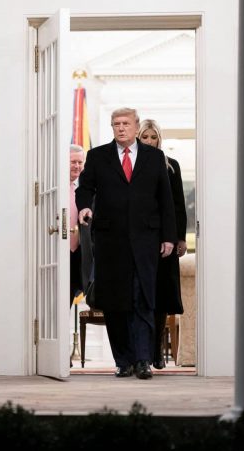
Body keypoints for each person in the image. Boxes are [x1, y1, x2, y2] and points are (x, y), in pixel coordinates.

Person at [76, 107, 176, 380]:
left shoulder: (154, 157)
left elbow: (165, 199)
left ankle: (143, 360)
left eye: (125, 123)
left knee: (143, 298)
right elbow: (85, 188)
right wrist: (84, 207)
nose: (121, 128)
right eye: (116, 124)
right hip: (110, 241)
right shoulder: (98, 156)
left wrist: (168, 236)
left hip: (146, 240)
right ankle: (123, 361)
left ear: (135, 126)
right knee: (115, 302)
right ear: (112, 127)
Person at [138, 119, 187, 370]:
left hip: (166, 240)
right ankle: (143, 353)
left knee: (161, 296)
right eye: (144, 137)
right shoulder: (132, 165)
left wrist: (180, 238)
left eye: (153, 137)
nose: (149, 141)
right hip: (140, 239)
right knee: (141, 295)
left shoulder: (171, 166)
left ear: (159, 139)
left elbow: (178, 204)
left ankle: (157, 350)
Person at [68, 144, 89, 299]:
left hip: (78, 252)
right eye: (73, 162)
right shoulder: (55, 189)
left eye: (80, 162)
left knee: (71, 293)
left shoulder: (84, 190)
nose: (77, 166)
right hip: (58, 250)